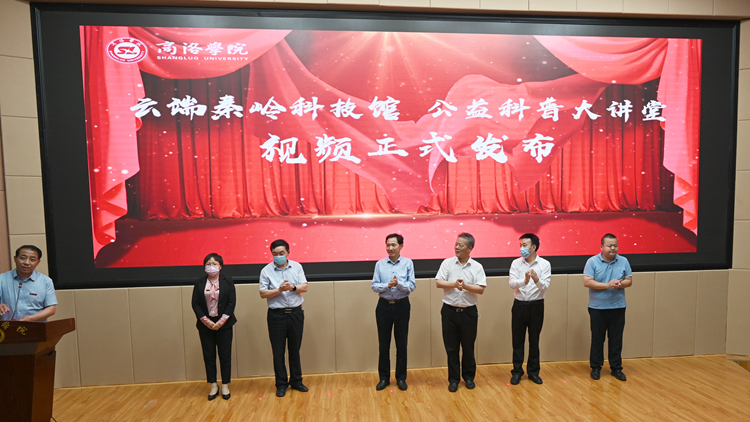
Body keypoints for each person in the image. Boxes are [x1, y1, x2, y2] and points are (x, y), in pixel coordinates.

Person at [435, 232, 486, 392]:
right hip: (449, 312)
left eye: (461, 245)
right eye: (456, 244)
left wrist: (465, 286)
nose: (456, 247)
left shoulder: (477, 267)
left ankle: (469, 377)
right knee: (451, 348)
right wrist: (454, 284)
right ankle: (454, 379)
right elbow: (438, 283)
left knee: (468, 347)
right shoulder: (447, 263)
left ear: (469, 248)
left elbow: (480, 289)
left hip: (469, 313)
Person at [259, 239, 309, 398]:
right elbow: (263, 293)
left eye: (281, 253)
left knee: (295, 350)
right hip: (276, 316)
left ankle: (296, 381)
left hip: (295, 314)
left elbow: (304, 287)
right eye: (275, 254)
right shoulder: (266, 271)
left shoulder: (297, 267)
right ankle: (281, 384)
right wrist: (279, 290)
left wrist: (292, 288)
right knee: (278, 351)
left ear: (288, 252)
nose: (278, 256)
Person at [583, 233, 632, 382]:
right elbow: (587, 282)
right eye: (610, 246)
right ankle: (596, 367)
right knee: (597, 339)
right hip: (597, 307)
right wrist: (608, 285)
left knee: (616, 339)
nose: (613, 248)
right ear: (601, 247)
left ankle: (616, 368)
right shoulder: (592, 261)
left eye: (615, 246)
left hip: (618, 306)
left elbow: (629, 280)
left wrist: (620, 284)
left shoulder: (623, 261)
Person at [371, 233, 416, 391]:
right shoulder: (380, 264)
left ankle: (401, 378)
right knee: (384, 345)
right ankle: (384, 378)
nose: (390, 248)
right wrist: (388, 286)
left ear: (401, 246)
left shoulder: (408, 263)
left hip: (402, 306)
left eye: (393, 245)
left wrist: (399, 284)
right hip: (383, 306)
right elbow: (374, 286)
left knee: (401, 344)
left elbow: (412, 286)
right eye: (388, 245)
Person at [191, 253, 237, 400]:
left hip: (224, 324)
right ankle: (213, 385)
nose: (211, 266)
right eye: (208, 264)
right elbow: (195, 303)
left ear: (220, 266)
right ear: (204, 266)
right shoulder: (199, 282)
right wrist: (206, 321)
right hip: (206, 325)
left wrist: (221, 321)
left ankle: (225, 385)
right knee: (209, 356)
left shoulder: (228, 281)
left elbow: (231, 302)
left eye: (214, 264)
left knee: (225, 355)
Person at [508, 233, 551, 385]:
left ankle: (533, 372)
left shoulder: (544, 264)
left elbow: (545, 286)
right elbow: (512, 283)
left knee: (534, 340)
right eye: (520, 245)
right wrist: (524, 281)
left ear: (533, 247)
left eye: (524, 245)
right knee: (517, 340)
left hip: (536, 306)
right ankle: (517, 371)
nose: (522, 248)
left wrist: (536, 279)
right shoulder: (516, 263)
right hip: (519, 305)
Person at [0, 245, 57, 322]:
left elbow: (51, 309)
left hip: (35, 327)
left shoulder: (46, 281)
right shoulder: (2, 279)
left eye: (32, 259)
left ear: (38, 262)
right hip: (7, 327)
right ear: (15, 259)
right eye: (23, 258)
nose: (27, 262)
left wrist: (30, 319)